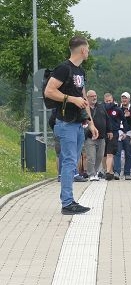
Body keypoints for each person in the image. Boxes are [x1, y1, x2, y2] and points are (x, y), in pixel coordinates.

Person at [44, 35, 98, 215]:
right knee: (68, 162)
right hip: (65, 123)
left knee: (72, 163)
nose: (88, 51)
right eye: (88, 49)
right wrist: (70, 98)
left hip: (78, 124)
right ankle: (67, 203)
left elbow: (83, 100)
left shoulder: (80, 72)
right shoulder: (63, 69)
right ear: (83, 50)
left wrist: (91, 124)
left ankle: (70, 200)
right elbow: (49, 91)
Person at [83, 90, 111, 181]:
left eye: (95, 96)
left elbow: (107, 119)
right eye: (92, 96)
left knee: (99, 156)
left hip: (101, 137)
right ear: (87, 97)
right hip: (90, 137)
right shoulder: (84, 108)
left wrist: (109, 130)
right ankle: (91, 174)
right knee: (91, 156)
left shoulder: (101, 107)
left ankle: (95, 172)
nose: (94, 98)